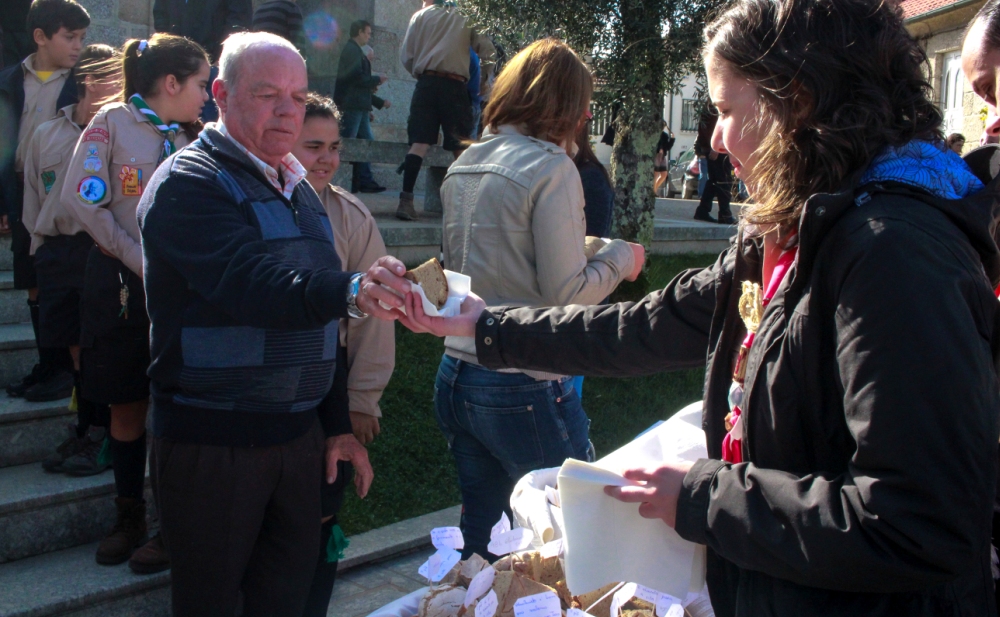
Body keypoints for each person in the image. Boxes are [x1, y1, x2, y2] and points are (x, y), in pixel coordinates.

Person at [398, 1, 1000, 615]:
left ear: (796, 103)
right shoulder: (792, 227)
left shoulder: (894, 254)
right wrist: (486, 327)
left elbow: (919, 524)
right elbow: (650, 325)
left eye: (725, 110)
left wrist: (703, 498)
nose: (713, 137)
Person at [135, 31, 408, 616]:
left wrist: (335, 425)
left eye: (299, 94)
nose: (289, 110)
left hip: (297, 443)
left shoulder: (299, 190)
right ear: (221, 95)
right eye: (268, 95)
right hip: (214, 444)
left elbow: (316, 330)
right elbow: (253, 284)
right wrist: (354, 289)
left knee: (284, 603)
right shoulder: (189, 182)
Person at [434, 39, 644, 560]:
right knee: (580, 533)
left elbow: (507, 251)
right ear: (567, 105)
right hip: (520, 381)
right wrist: (620, 259)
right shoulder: (550, 167)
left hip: (457, 374)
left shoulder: (466, 163)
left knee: (482, 543)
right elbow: (566, 295)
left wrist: (601, 248)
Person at [61, 33, 211, 572]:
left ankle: (174, 526)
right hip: (126, 288)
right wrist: (135, 258)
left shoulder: (199, 138)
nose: (205, 96)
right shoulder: (111, 125)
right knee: (127, 406)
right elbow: (85, 198)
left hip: (185, 296)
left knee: (178, 413)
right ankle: (129, 517)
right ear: (170, 83)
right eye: (199, 83)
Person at [291, 92, 396, 617]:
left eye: (334, 146)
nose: (327, 159)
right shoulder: (260, 200)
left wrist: (362, 399)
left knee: (320, 510)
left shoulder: (351, 215)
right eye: (313, 146)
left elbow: (376, 315)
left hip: (329, 392)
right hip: (270, 389)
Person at [22, 43, 119, 475]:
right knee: (76, 351)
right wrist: (39, 249)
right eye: (108, 76)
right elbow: (33, 197)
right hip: (58, 252)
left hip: (100, 250)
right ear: (86, 79)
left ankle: (104, 434)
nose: (116, 86)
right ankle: (85, 429)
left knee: (102, 349)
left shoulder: (121, 133)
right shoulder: (46, 133)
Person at [0, 0, 88, 401]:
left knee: (56, 282)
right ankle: (47, 364)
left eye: (82, 38)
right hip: (20, 188)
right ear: (40, 37)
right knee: (32, 282)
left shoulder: (79, 83)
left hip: (63, 191)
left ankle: (64, 371)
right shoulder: (8, 81)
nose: (77, 46)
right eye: (69, 37)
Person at [395, 0, 495, 220]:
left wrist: (422, 72)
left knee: (419, 144)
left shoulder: (419, 16)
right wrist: (485, 78)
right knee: (460, 146)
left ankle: (406, 200)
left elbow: (406, 56)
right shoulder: (466, 15)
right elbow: (487, 50)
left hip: (426, 84)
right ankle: (467, 206)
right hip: (454, 85)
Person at [334, 20, 388, 194]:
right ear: (359, 32)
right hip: (353, 105)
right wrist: (376, 79)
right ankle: (342, 178)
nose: (369, 36)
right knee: (348, 142)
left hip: (359, 106)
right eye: (367, 33)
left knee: (365, 143)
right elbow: (355, 79)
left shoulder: (355, 50)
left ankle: (363, 180)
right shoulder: (352, 50)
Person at [153, 0, 252, 63]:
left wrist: (218, 54)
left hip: (214, 62)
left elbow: (238, 22)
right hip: (176, 60)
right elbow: (160, 14)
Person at [693, 148, 736, 225]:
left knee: (713, 182)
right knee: (723, 180)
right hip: (719, 150)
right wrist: (716, 149)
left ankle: (703, 211)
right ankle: (724, 215)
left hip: (718, 149)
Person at [653, 122, 675, 196]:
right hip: (655, 155)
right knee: (655, 174)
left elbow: (668, 147)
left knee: (664, 174)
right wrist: (659, 149)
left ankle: (654, 189)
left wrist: (672, 139)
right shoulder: (654, 134)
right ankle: (653, 191)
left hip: (662, 156)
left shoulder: (664, 135)